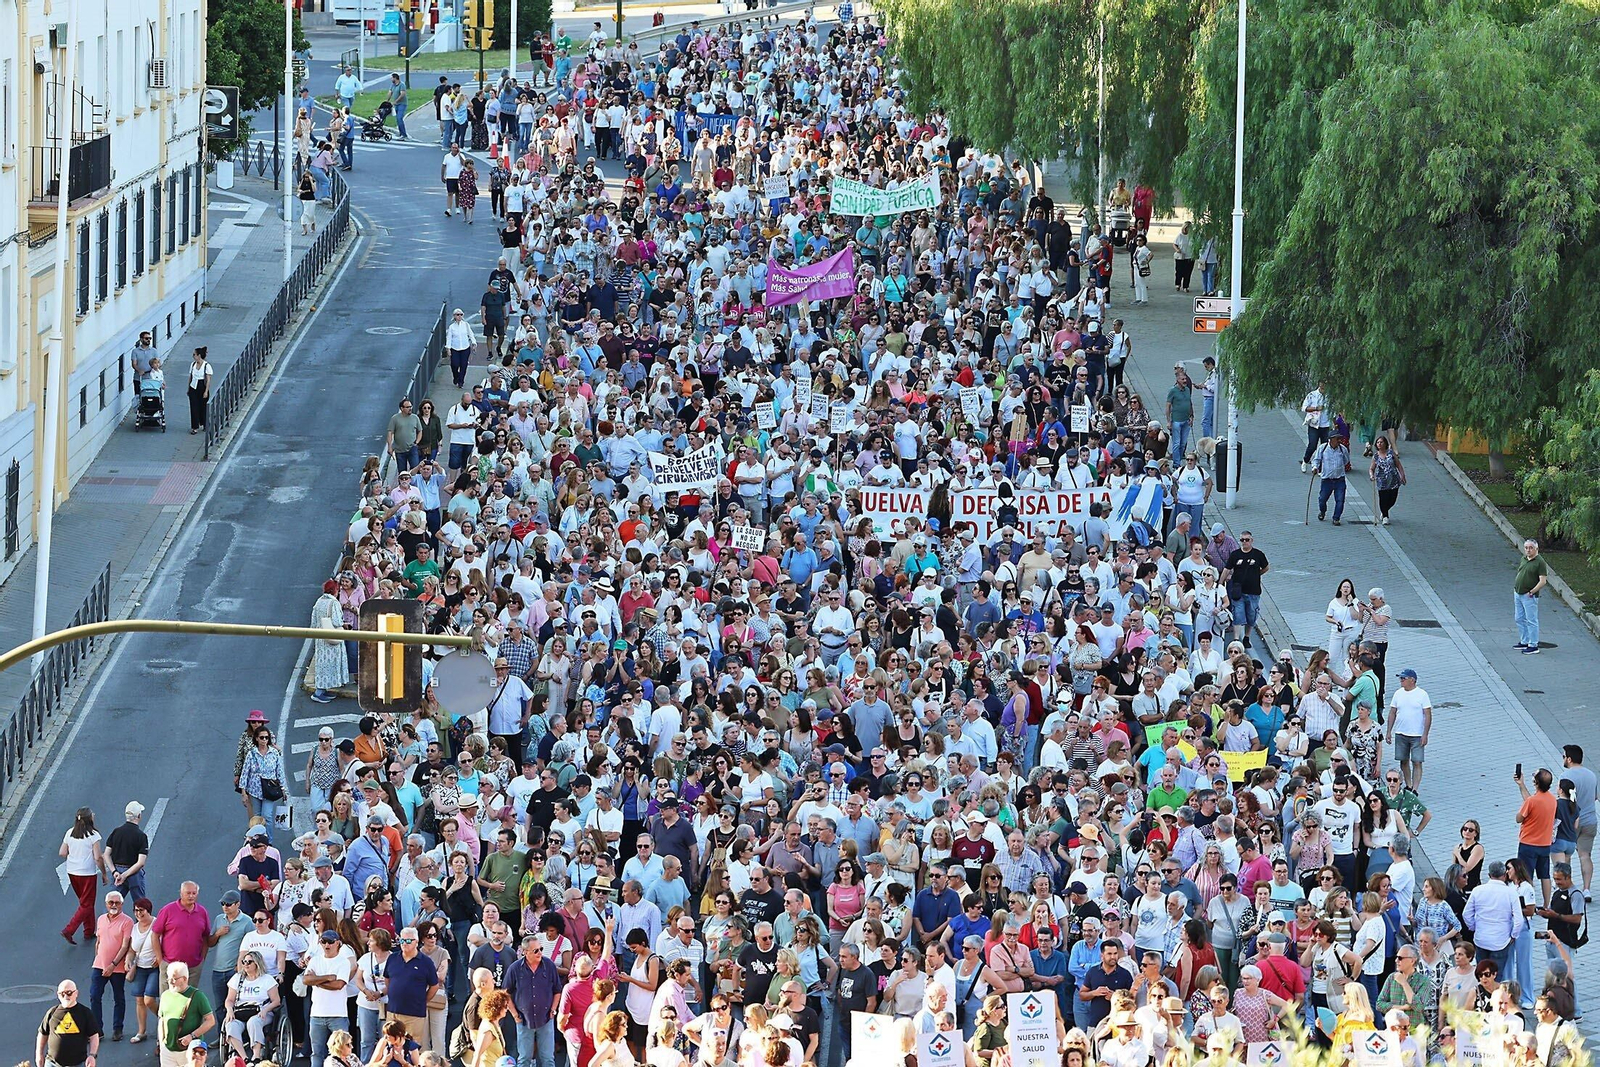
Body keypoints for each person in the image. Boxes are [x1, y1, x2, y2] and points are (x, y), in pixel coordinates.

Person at [60, 807, 108, 945]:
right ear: (90, 819)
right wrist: (104, 873)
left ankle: (89, 931)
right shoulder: (93, 835)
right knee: (87, 904)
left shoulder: (70, 832)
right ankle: (69, 930)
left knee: (85, 902)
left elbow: (62, 852)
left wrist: (74, 856)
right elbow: (98, 857)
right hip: (87, 873)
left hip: (72, 872)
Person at [156, 963, 214, 1067]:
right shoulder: (165, 995)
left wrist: (192, 1036)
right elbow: (162, 1020)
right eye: (169, 978)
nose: (170, 982)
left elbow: (210, 1021)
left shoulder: (198, 996)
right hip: (167, 1051)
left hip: (189, 1052)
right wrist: (161, 1043)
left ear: (184, 978)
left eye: (174, 978)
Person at [38, 981, 101, 1067]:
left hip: (78, 1064)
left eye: (69, 993)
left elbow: (94, 1036)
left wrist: (92, 1055)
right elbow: (43, 1033)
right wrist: (39, 1054)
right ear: (58, 995)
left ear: (76, 993)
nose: (66, 996)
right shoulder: (52, 1012)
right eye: (62, 994)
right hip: (52, 1063)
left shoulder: (85, 1013)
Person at [1514, 538, 1549, 654]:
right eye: (1526, 548)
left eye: (1531, 548)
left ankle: (1533, 645)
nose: (1528, 550)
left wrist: (1532, 591)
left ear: (1536, 549)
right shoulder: (1524, 559)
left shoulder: (1540, 562)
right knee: (1519, 618)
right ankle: (1524, 641)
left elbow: (1543, 581)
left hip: (1529, 596)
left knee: (1531, 620)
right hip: (1518, 593)